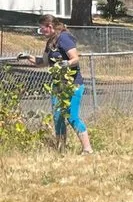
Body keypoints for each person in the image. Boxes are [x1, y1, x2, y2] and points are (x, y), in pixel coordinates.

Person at [17, 15, 93, 154]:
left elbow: (75, 58)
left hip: (73, 84)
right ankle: (61, 150)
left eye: (42, 29)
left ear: (50, 27)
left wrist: (67, 64)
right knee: (58, 116)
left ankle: (87, 149)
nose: (41, 32)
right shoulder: (50, 42)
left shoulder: (64, 38)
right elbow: (43, 62)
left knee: (72, 116)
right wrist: (28, 57)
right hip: (58, 85)